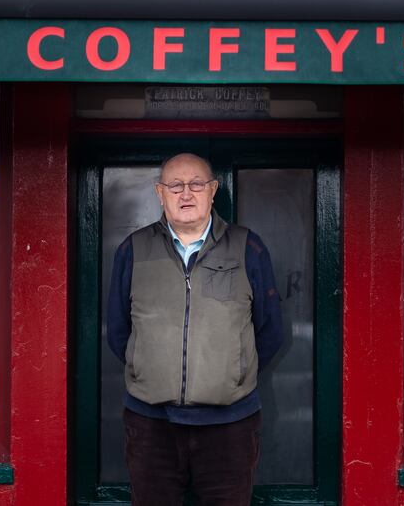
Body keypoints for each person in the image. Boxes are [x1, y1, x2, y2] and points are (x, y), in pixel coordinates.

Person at [107, 152, 283, 506]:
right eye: (175, 185)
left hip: (229, 426)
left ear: (213, 190)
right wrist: (150, 370)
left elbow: (269, 330)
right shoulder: (133, 250)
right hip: (151, 425)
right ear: (160, 193)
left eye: (196, 184)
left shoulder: (247, 247)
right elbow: (118, 330)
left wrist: (231, 373)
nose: (186, 193)